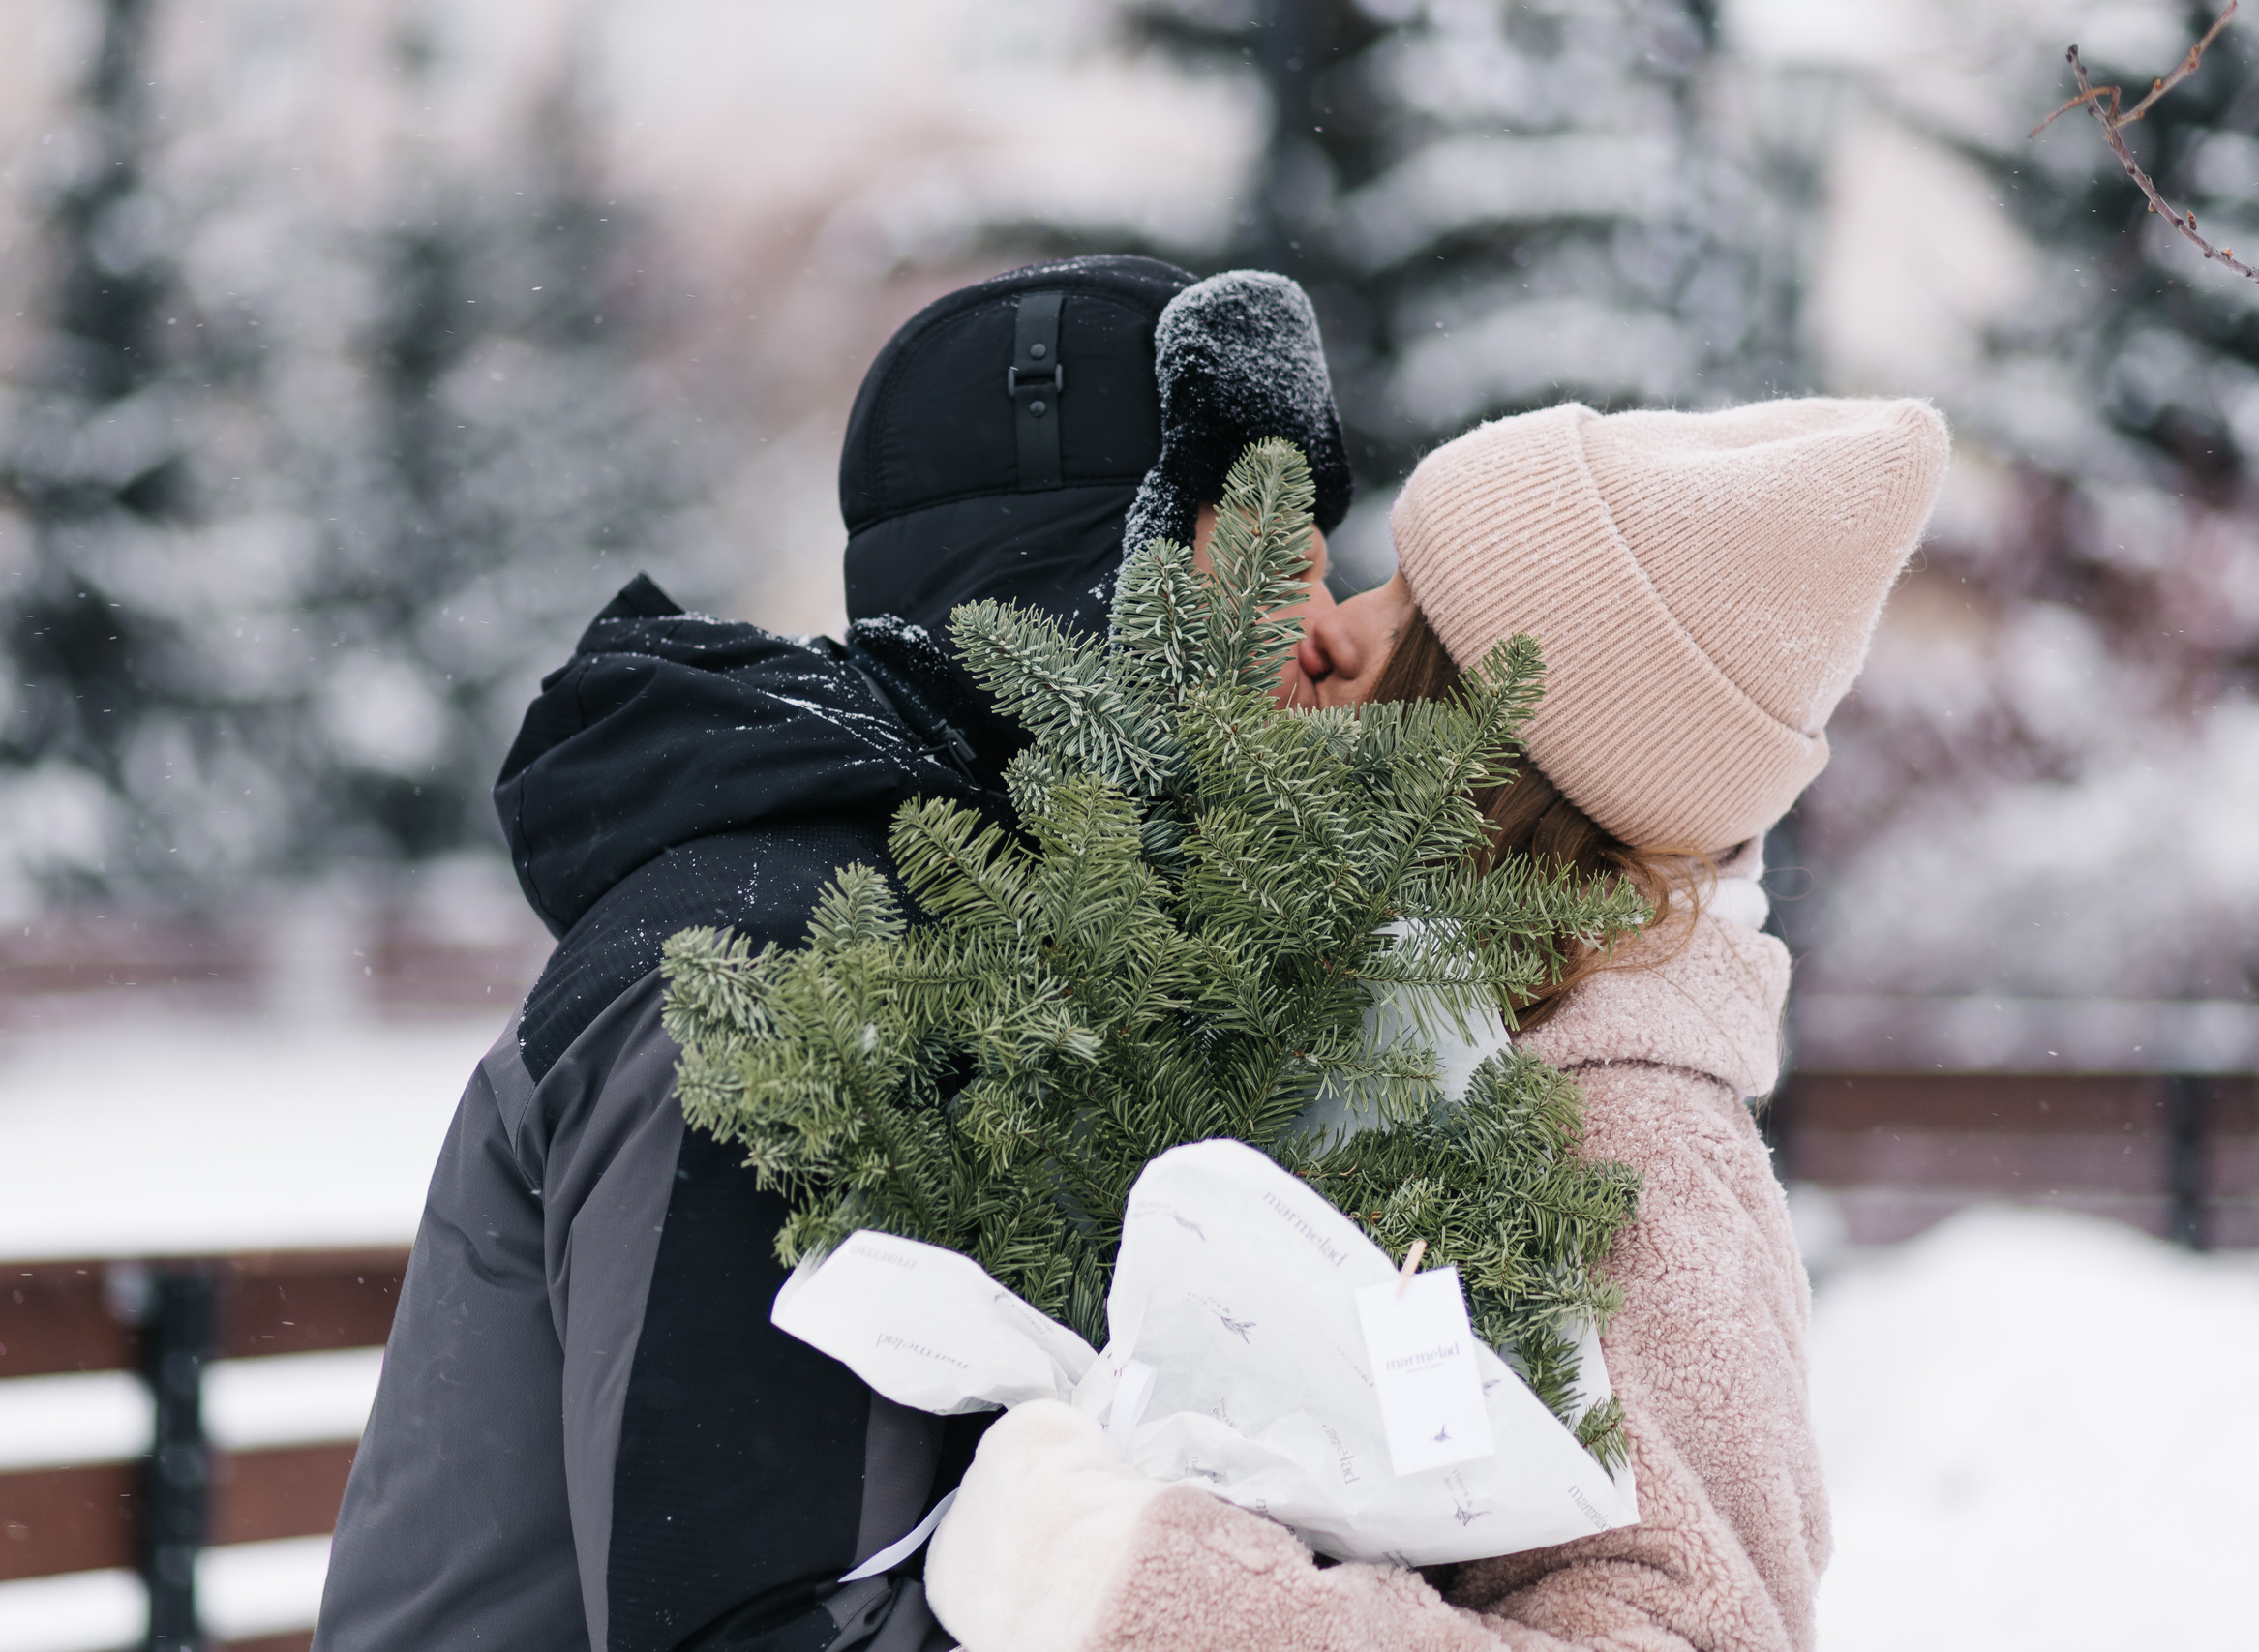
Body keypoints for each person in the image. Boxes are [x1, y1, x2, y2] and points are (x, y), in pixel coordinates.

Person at [313, 255, 1354, 1652]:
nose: (1335, 639)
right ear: (1089, 584)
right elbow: (750, 1622)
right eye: (1276, 570)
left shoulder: (1022, 940)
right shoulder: (779, 958)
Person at [922, 397, 1951, 1652]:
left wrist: (1135, 1590)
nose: (1335, 627)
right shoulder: (1355, 1038)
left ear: (1508, 755)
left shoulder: (1636, 1149)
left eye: (1416, 614)